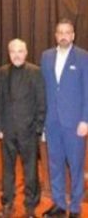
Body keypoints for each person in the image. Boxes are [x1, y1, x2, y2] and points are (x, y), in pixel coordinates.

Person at [40, 19, 88, 218]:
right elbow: (43, 90)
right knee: (55, 165)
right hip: (52, 123)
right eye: (60, 32)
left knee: (76, 167)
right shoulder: (46, 56)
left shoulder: (83, 57)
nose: (64, 36)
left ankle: (75, 207)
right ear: (55, 35)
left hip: (75, 124)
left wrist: (85, 120)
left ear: (73, 35)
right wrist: (42, 121)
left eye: (68, 32)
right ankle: (59, 204)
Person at [0, 39, 45, 218]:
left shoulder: (35, 72)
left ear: (26, 52)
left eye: (20, 51)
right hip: (7, 130)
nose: (16, 55)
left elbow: (41, 101)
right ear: (9, 53)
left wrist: (38, 127)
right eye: (13, 51)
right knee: (7, 170)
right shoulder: (2, 72)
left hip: (28, 131)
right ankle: (7, 202)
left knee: (30, 171)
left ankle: (30, 206)